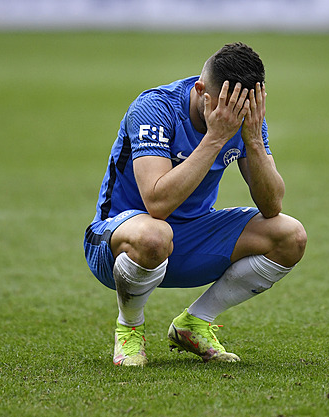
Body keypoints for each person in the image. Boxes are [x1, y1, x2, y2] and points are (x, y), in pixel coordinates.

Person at [83, 42, 307, 367]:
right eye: (223, 107)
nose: (231, 116)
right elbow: (157, 203)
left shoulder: (244, 118)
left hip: (187, 240)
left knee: (290, 236)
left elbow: (272, 205)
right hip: (118, 241)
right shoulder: (155, 107)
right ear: (201, 91)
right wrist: (215, 138)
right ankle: (129, 327)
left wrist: (254, 139)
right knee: (154, 234)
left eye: (242, 108)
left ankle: (195, 323)